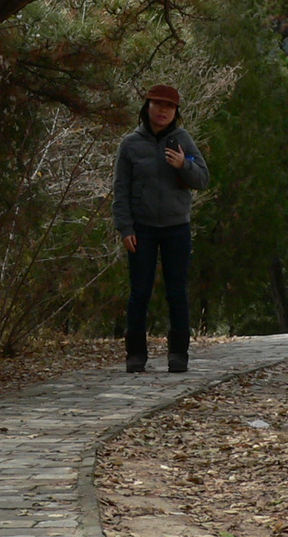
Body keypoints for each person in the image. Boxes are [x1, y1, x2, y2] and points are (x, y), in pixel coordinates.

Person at [112, 83, 210, 373]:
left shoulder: (182, 140)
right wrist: (124, 227)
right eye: (158, 105)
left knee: (176, 291)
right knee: (139, 292)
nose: (163, 111)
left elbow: (203, 179)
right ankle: (136, 355)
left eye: (169, 107)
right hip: (141, 228)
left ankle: (178, 354)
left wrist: (183, 165)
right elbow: (121, 190)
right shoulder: (130, 144)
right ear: (147, 108)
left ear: (176, 113)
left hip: (176, 228)